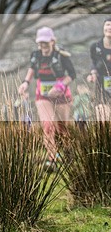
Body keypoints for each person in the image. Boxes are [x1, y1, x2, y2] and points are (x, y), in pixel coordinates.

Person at [18, 27, 75, 167]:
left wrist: (60, 86)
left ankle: (68, 153)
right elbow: (31, 69)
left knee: (62, 128)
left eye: (45, 42)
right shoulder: (36, 55)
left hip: (61, 95)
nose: (43, 46)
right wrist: (25, 83)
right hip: (42, 95)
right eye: (40, 43)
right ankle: (52, 160)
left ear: (52, 41)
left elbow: (72, 75)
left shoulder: (62, 56)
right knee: (48, 126)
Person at [87, 17, 111, 122]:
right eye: (107, 25)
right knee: (102, 117)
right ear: (103, 28)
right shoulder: (95, 47)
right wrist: (92, 74)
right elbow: (93, 63)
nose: (109, 27)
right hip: (101, 84)